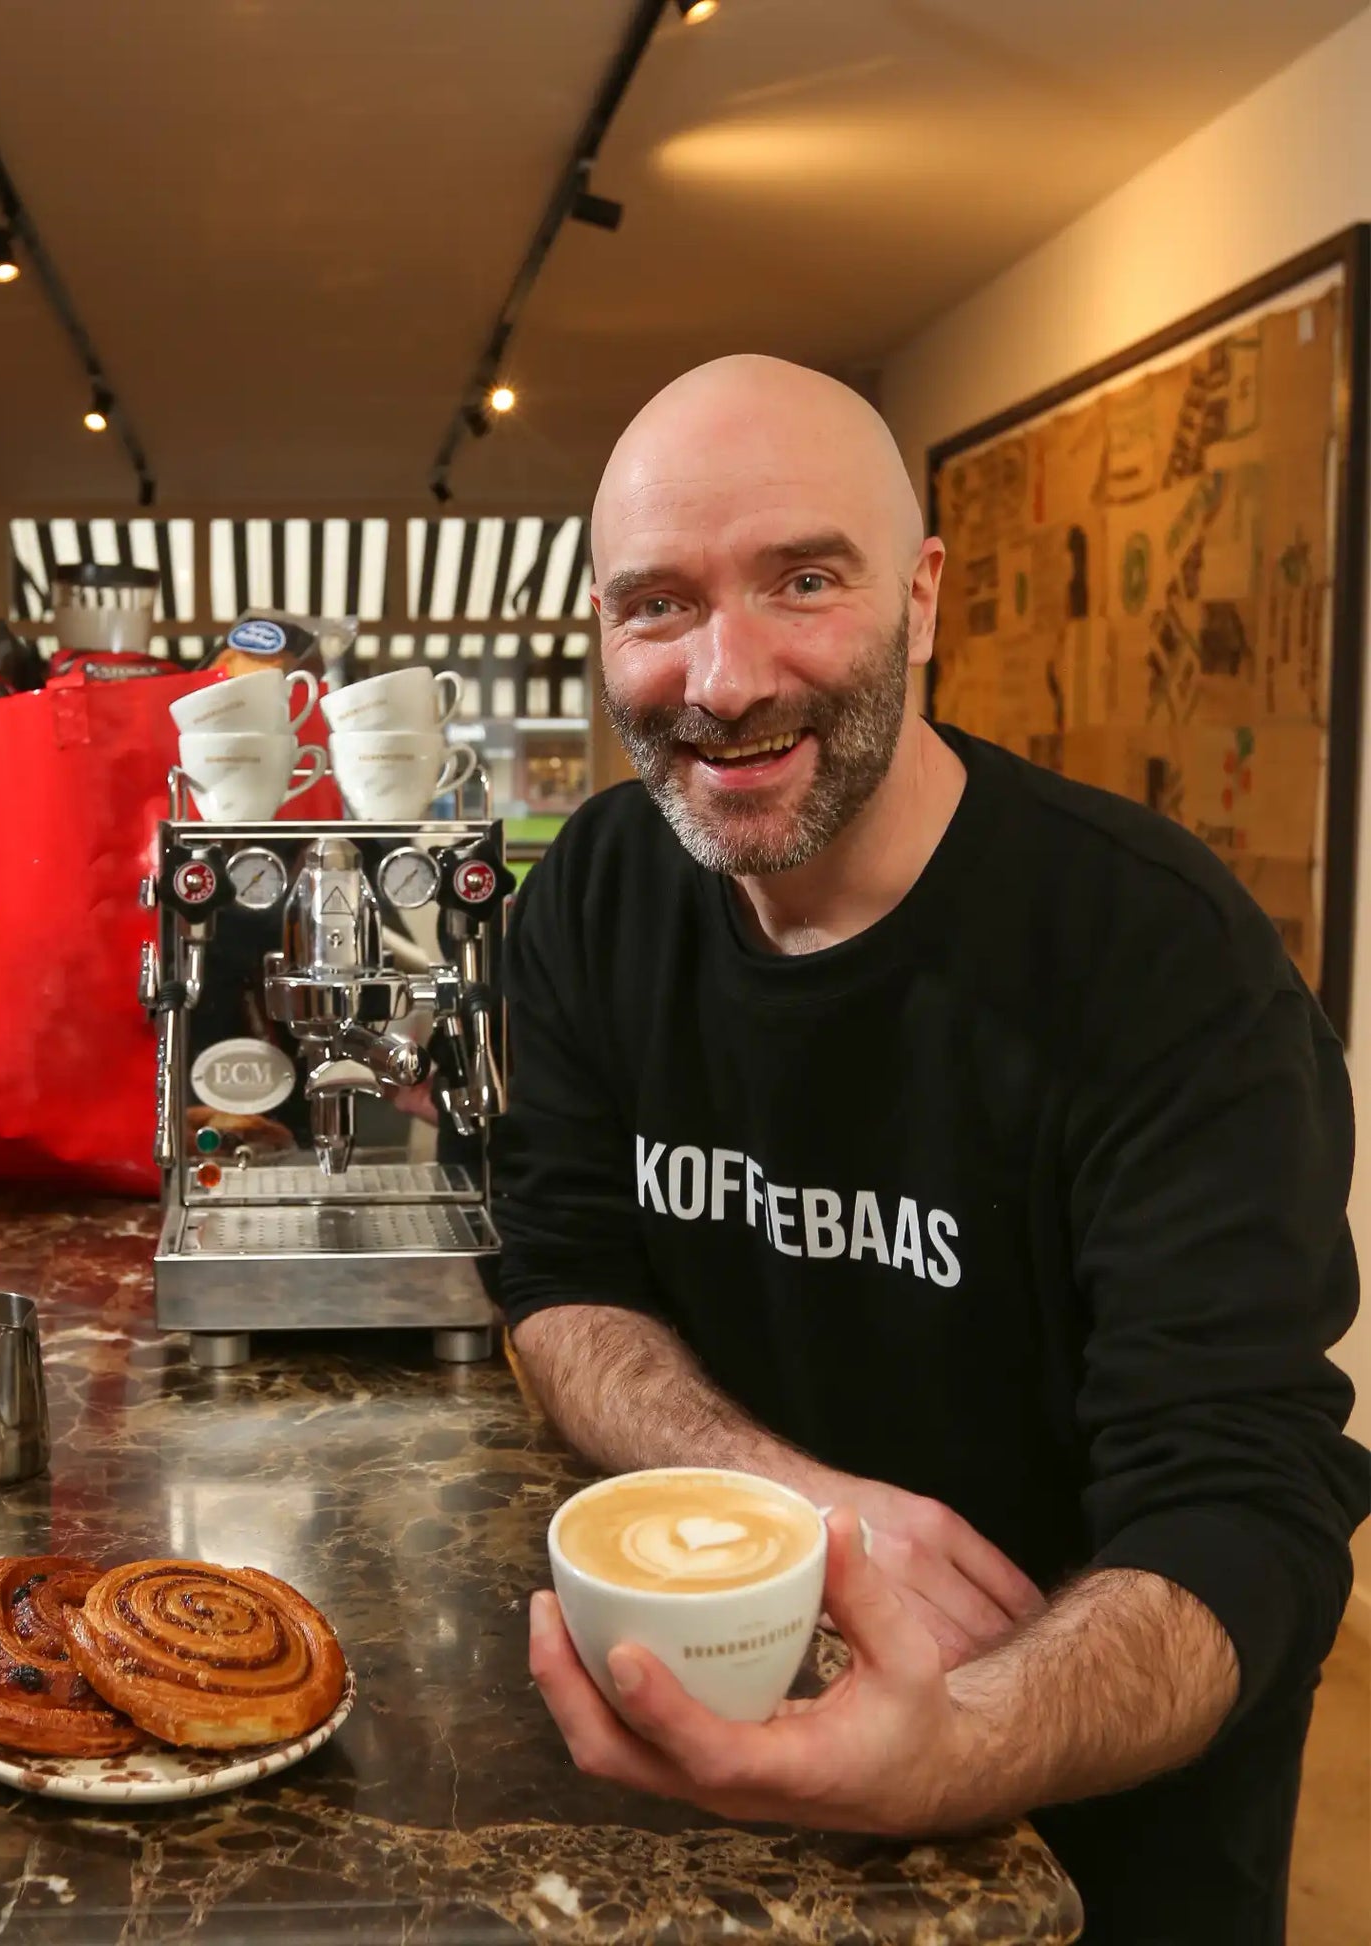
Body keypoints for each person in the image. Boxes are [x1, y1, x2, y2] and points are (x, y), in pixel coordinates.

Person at [496, 354, 1370, 1944]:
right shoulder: (594, 893)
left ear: (920, 595)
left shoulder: (1160, 960)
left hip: (1094, 1845)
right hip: (694, 1784)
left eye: (802, 580)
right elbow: (559, 1276)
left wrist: (952, 1740)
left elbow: (1244, 1503)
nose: (724, 676)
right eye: (656, 604)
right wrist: (811, 1511)